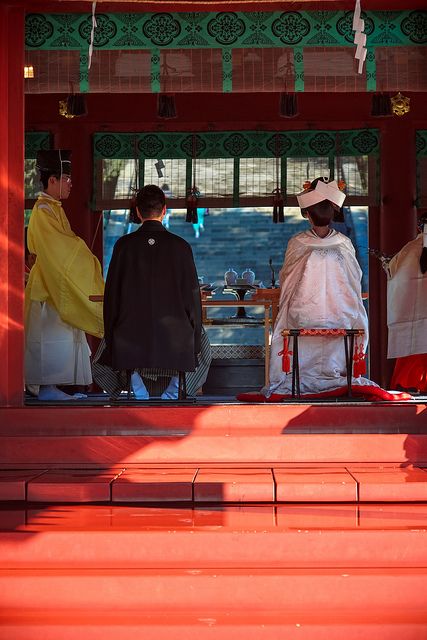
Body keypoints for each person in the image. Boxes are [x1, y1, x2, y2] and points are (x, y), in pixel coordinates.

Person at [261, 176, 376, 399]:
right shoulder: (344, 244)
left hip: (302, 318)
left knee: (290, 315)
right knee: (352, 314)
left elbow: (289, 280)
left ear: (307, 215)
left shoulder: (298, 243)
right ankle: (338, 375)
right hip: (341, 318)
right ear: (333, 214)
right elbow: (354, 280)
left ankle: (299, 377)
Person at [99, 184, 202, 400]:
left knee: (103, 349)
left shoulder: (123, 246)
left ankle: (134, 382)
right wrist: (195, 332)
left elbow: (112, 296)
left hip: (129, 335)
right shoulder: (181, 247)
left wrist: (111, 332)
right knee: (204, 345)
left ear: (137, 211)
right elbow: (192, 297)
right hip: (175, 337)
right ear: (164, 210)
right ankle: (175, 387)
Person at [25, 149, 104, 401]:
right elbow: (60, 249)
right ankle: (47, 388)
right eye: (66, 178)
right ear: (52, 181)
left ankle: (55, 388)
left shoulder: (53, 209)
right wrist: (82, 251)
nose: (70, 183)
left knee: (59, 336)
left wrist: (77, 249)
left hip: (55, 283)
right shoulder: (43, 211)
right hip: (48, 287)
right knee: (49, 339)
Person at [383, 217, 427, 393]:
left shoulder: (408, 251)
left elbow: (395, 278)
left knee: (411, 361)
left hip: (413, 324)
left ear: (419, 228)